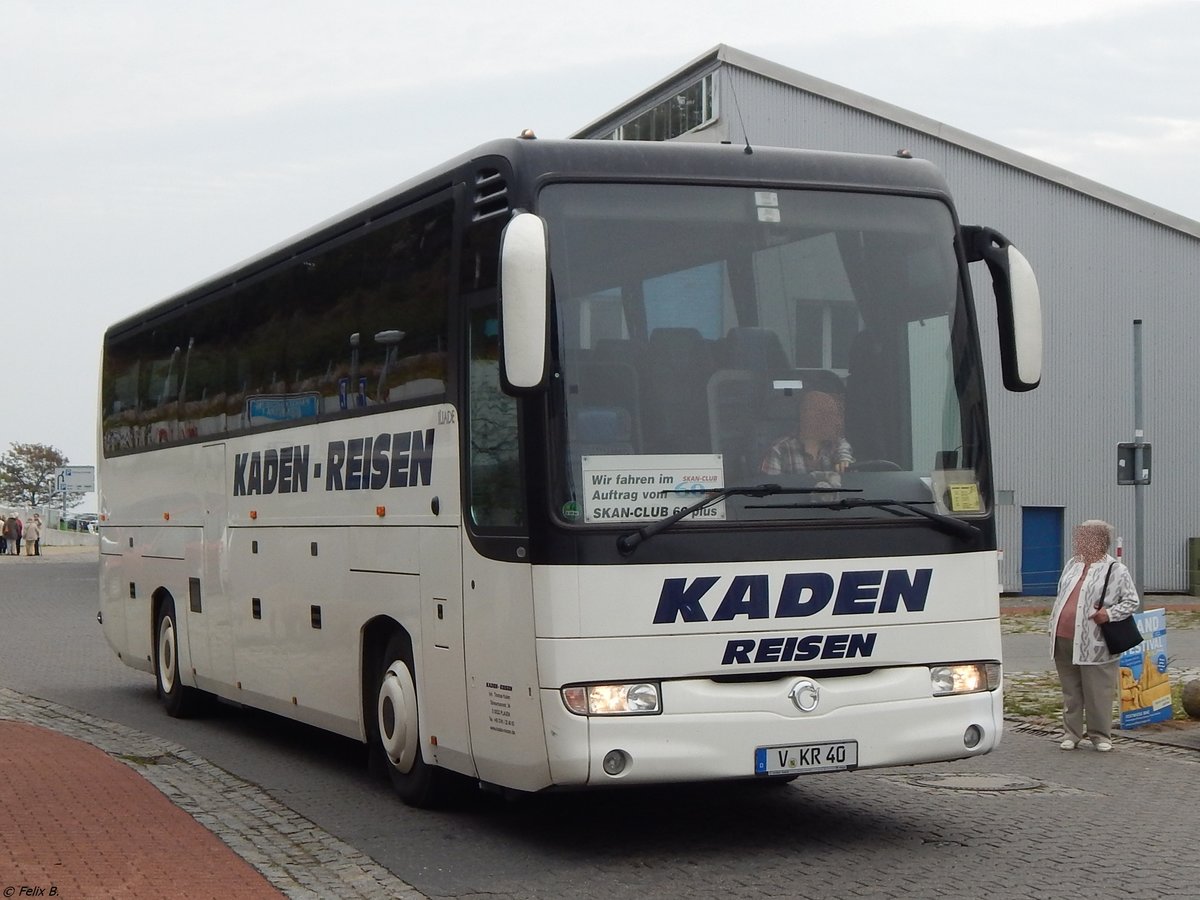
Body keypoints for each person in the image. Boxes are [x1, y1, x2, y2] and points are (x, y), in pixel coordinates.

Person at [1048, 519, 1140, 752]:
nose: (1078, 541)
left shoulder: (1116, 569)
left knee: (1098, 690)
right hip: (1063, 637)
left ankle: (1101, 735)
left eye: (1083, 536)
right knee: (1071, 689)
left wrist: (1108, 614)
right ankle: (1072, 733)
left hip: (1094, 641)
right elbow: (1061, 595)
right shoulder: (1073, 564)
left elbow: (1131, 601)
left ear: (1099, 541)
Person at [760, 389, 853, 487]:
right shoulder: (779, 450)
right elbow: (770, 494)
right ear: (805, 416)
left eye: (834, 414)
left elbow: (844, 448)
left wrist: (844, 460)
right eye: (825, 414)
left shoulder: (836, 444)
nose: (834, 420)